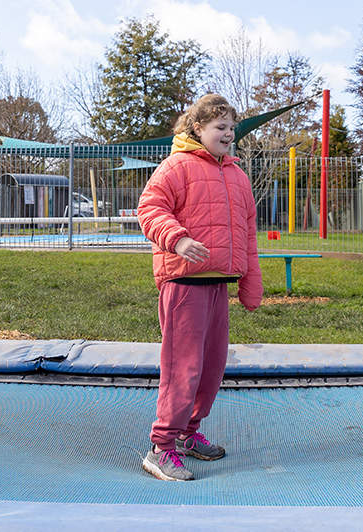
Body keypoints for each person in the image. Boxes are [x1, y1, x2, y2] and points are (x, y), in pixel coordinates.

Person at [136, 93, 262, 481]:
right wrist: (177, 239)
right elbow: (150, 208)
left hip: (216, 285)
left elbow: (247, 233)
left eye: (232, 128)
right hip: (184, 282)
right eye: (219, 127)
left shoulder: (237, 176)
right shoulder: (176, 166)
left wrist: (249, 281)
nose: (228, 134)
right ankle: (162, 446)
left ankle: (189, 433)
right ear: (198, 129)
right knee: (183, 367)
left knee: (210, 368)